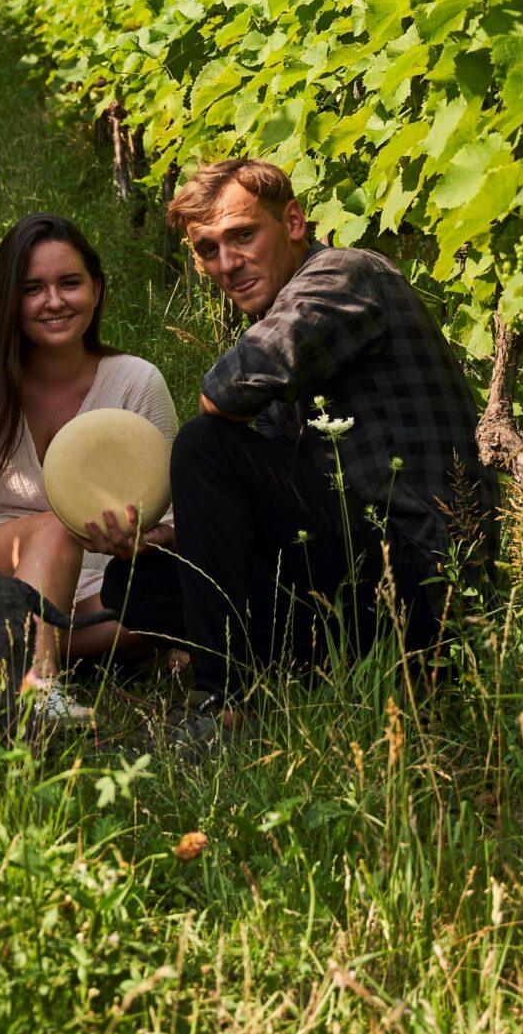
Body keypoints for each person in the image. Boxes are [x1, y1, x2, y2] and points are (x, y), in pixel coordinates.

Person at [97, 157, 489, 698]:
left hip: (426, 579)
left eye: (242, 235)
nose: (227, 263)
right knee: (139, 583)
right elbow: (268, 487)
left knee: (204, 444)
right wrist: (185, 535)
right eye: (208, 249)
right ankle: (315, 671)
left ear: (295, 222)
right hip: (357, 571)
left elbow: (223, 392)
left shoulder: (345, 274)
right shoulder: (286, 319)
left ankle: (219, 699)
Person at [0, 212, 178, 717]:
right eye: (33, 288)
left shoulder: (136, 382)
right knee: (56, 529)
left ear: (97, 290)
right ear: (7, 300)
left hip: (94, 579)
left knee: (170, 610)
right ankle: (34, 693)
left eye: (70, 283)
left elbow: (174, 523)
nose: (55, 302)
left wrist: (138, 543)